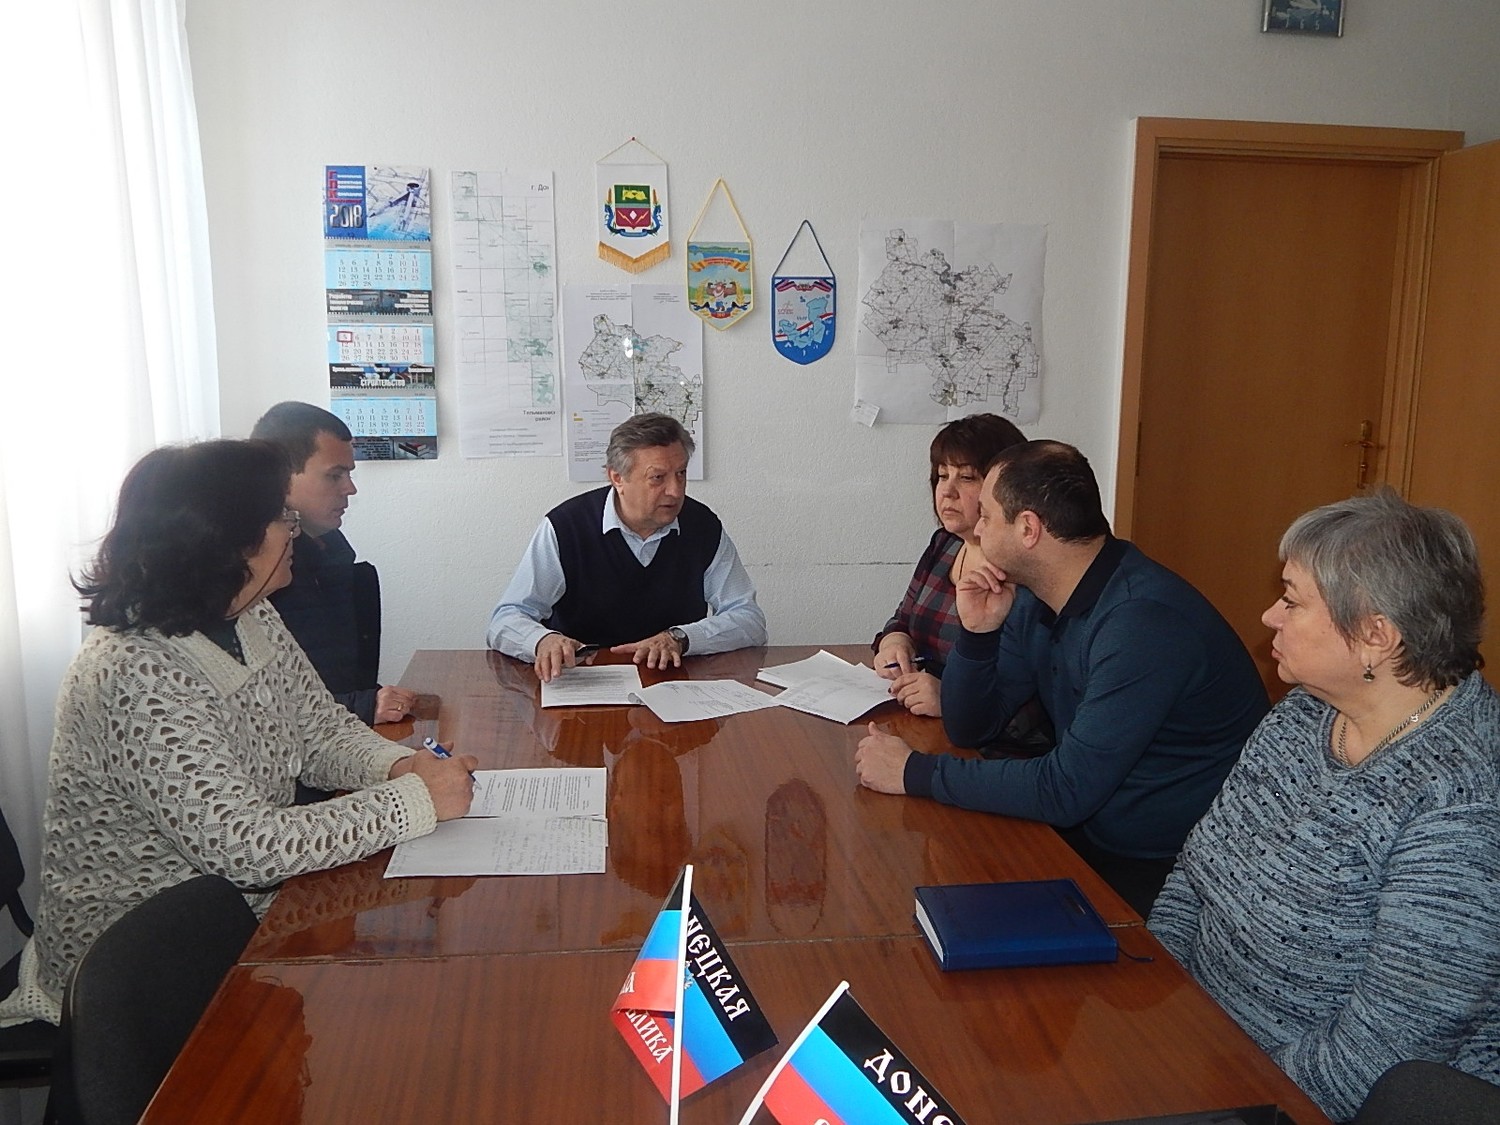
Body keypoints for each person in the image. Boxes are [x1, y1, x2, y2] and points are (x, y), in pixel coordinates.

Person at [0, 440, 476, 1027]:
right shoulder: (131, 670)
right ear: (229, 541)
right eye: (281, 517)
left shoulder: (248, 613)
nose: (293, 531)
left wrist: (401, 767)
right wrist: (415, 801)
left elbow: (319, 731)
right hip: (131, 976)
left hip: (245, 919)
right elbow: (245, 847)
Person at [1149, 490, 1500, 1121]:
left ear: (1375, 636)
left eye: (1292, 600)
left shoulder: (1466, 801)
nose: (1269, 615)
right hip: (1198, 1047)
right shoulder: (1306, 712)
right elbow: (1195, 877)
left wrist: (1224, 1094)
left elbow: (1382, 1052)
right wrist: (1155, 1001)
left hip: (1300, 1099)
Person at [855, 441, 1267, 915]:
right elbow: (971, 728)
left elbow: (1065, 790)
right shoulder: (1037, 595)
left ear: (1028, 528)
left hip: (1172, 870)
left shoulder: (1141, 623)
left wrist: (913, 771)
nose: (977, 529)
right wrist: (978, 633)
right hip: (1094, 835)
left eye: (986, 515)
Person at [487, 412, 767, 682]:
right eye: (658, 477)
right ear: (618, 478)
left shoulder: (702, 526)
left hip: (673, 683)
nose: (675, 490)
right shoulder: (566, 528)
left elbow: (748, 619)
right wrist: (542, 640)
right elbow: (505, 618)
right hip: (583, 682)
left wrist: (680, 638)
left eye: (681, 473)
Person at [251, 402, 416, 726]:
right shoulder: (259, 571)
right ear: (281, 478)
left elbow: (331, 679)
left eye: (349, 474)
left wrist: (368, 701)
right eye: (334, 476)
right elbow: (261, 706)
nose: (350, 489)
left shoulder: (331, 550)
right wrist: (362, 707)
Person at [872, 413, 1027, 718]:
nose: (947, 491)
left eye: (966, 478)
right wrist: (894, 643)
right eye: (942, 476)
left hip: (982, 737)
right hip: (915, 717)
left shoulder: (1022, 571)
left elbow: (1029, 700)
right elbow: (901, 620)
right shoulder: (945, 544)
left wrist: (951, 700)